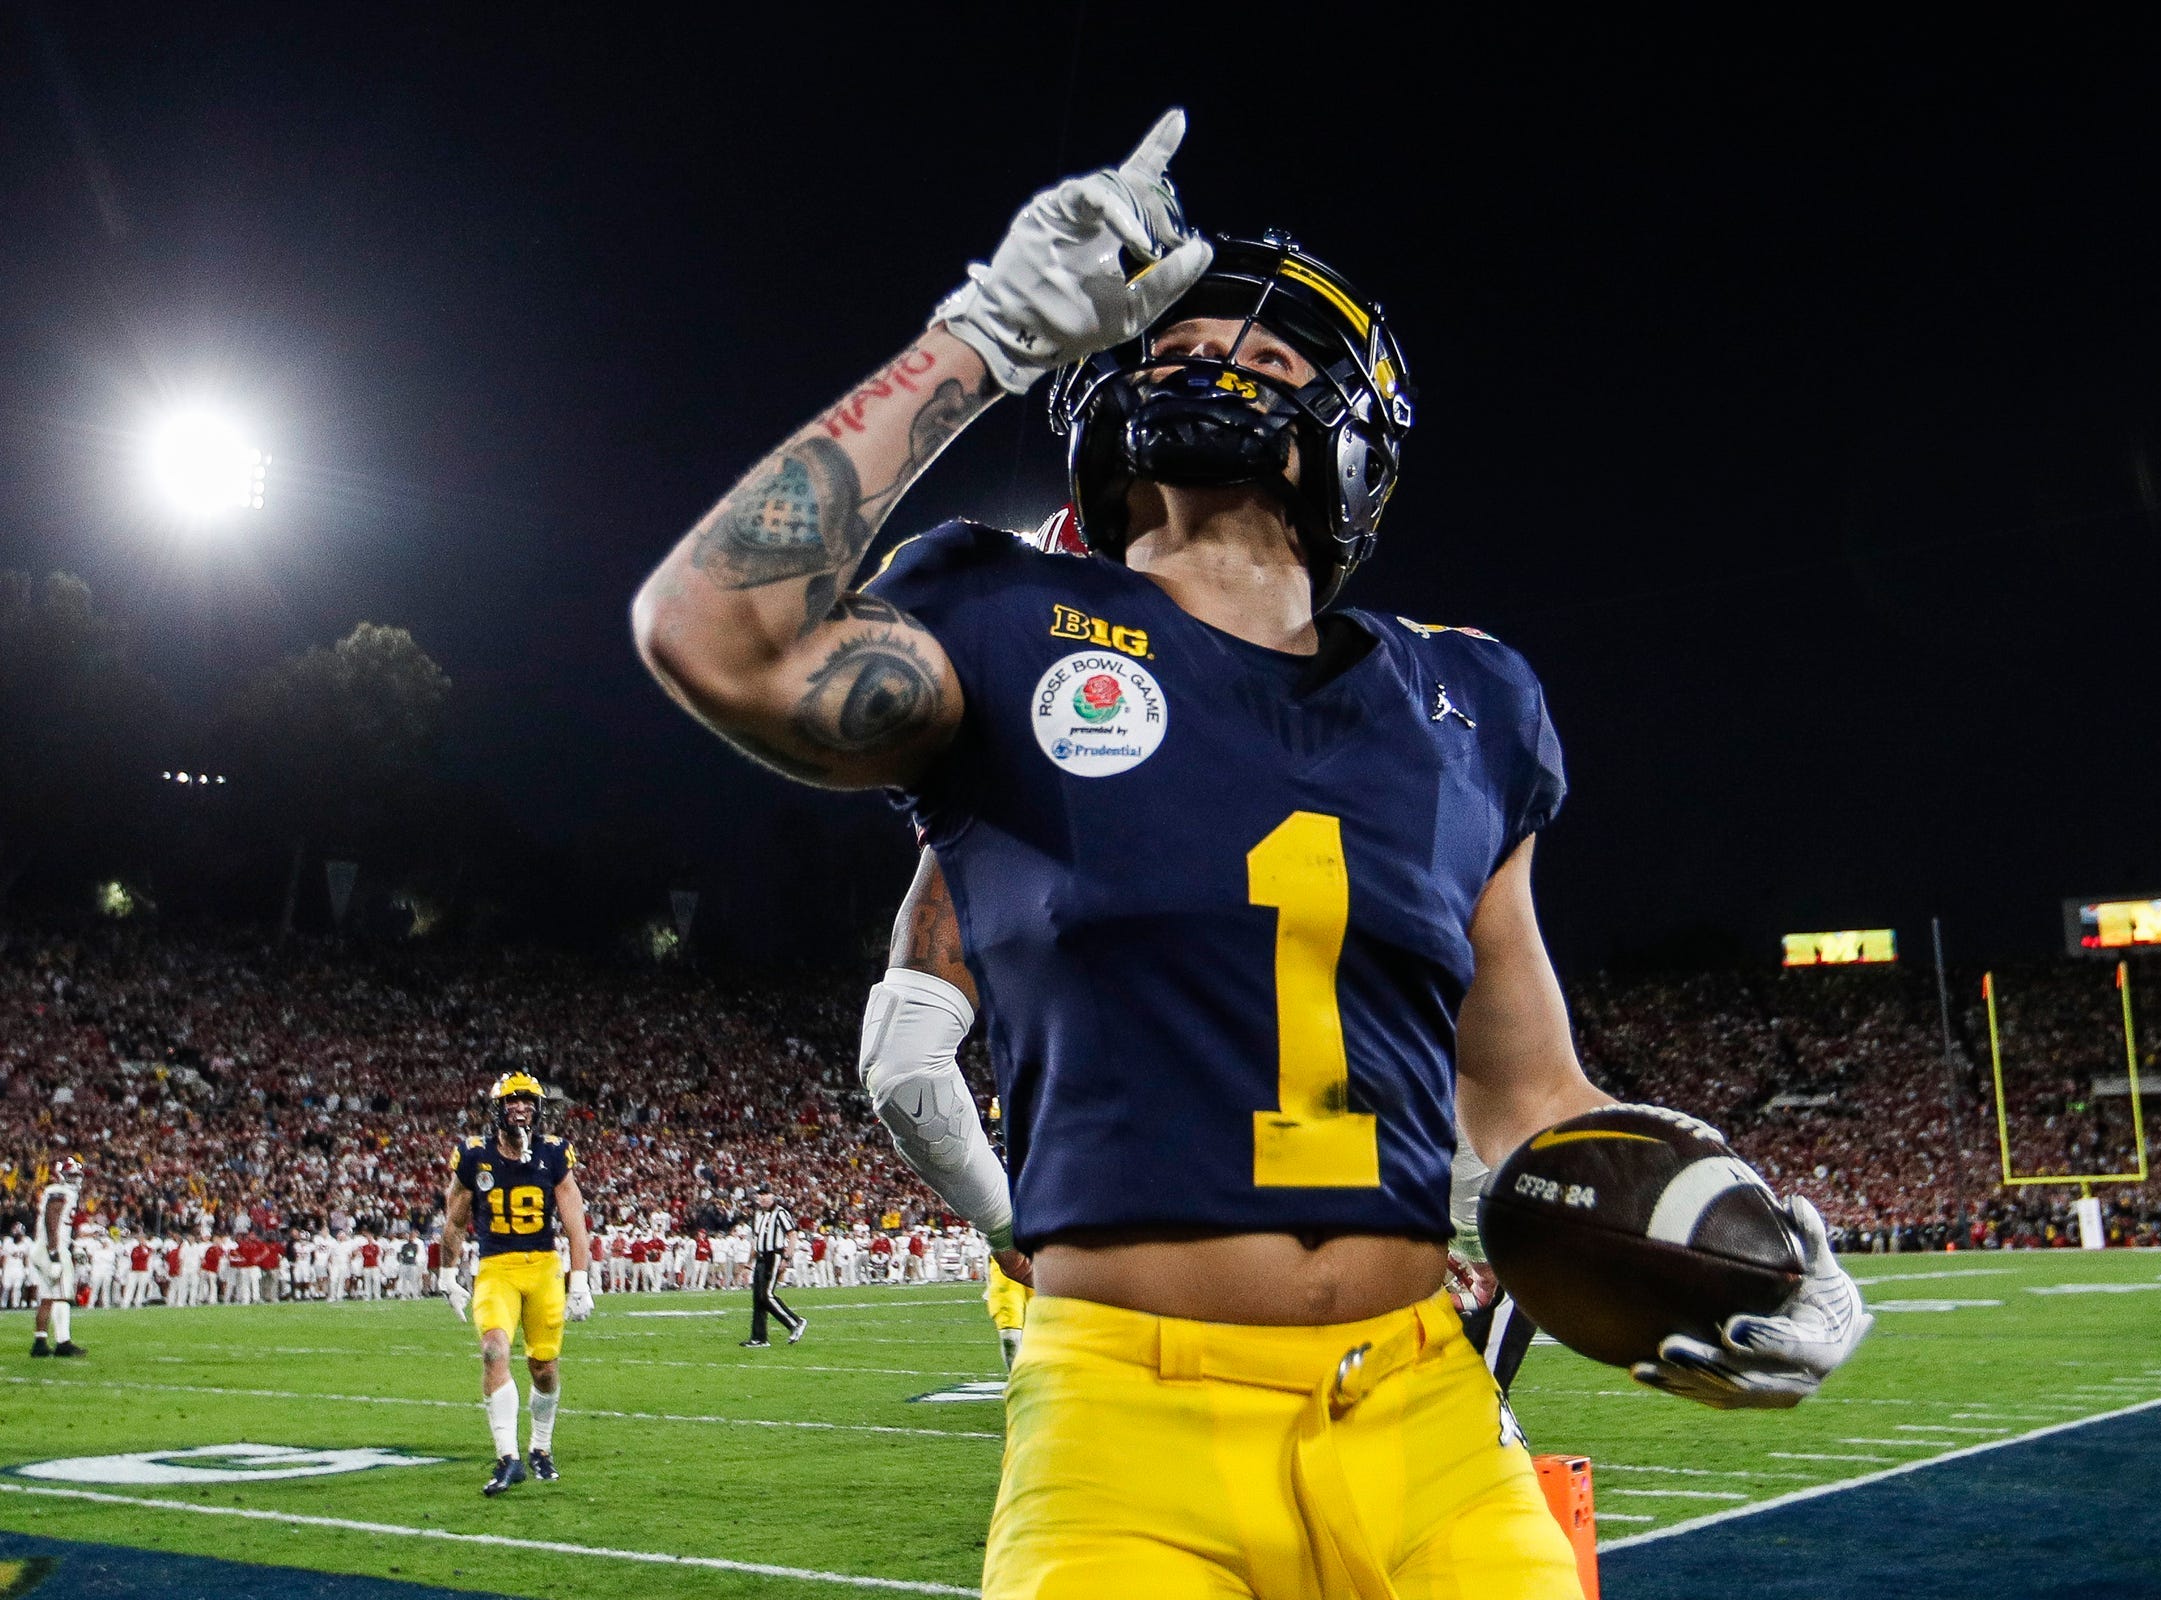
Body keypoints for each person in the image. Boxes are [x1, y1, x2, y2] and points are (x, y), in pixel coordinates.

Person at [633, 111, 1869, 1596]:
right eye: (1174, 337)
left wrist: (1744, 1235)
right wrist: (980, 338)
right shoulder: (1002, 616)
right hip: (1124, 1425)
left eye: (1274, 355)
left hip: (1424, 1412)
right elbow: (716, 632)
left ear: (1349, 436)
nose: (1216, 356)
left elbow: (1532, 1091)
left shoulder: (1470, 699)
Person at [439, 1066, 595, 1496]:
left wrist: (578, 1280)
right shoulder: (474, 1155)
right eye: (512, 1101)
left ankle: (540, 1447)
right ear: (497, 1108)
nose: (520, 1108)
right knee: (493, 1350)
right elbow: (453, 1222)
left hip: (543, 1266)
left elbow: (575, 1222)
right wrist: (447, 1275)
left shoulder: (553, 1153)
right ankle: (508, 1457)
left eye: (527, 1101)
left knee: (543, 1368)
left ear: (539, 1108)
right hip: (496, 1268)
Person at [28, 1156, 87, 1357]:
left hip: (42, 1247)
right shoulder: (59, 1192)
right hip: (51, 1248)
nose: (75, 1180)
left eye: (76, 1175)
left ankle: (40, 1343)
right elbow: (51, 1220)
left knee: (47, 1298)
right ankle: (63, 1342)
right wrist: (54, 1254)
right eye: (71, 1175)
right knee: (62, 1296)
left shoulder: (58, 1191)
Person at [741, 1188, 808, 1347]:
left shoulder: (780, 1213)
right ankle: (759, 1338)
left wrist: (787, 1257)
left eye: (766, 1194)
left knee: (766, 1295)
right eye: (760, 1194)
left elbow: (792, 1235)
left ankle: (796, 1322)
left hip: (774, 1256)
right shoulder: (758, 1214)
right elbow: (756, 1240)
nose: (763, 1198)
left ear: (772, 1195)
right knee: (758, 1298)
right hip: (761, 1257)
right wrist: (749, 1264)